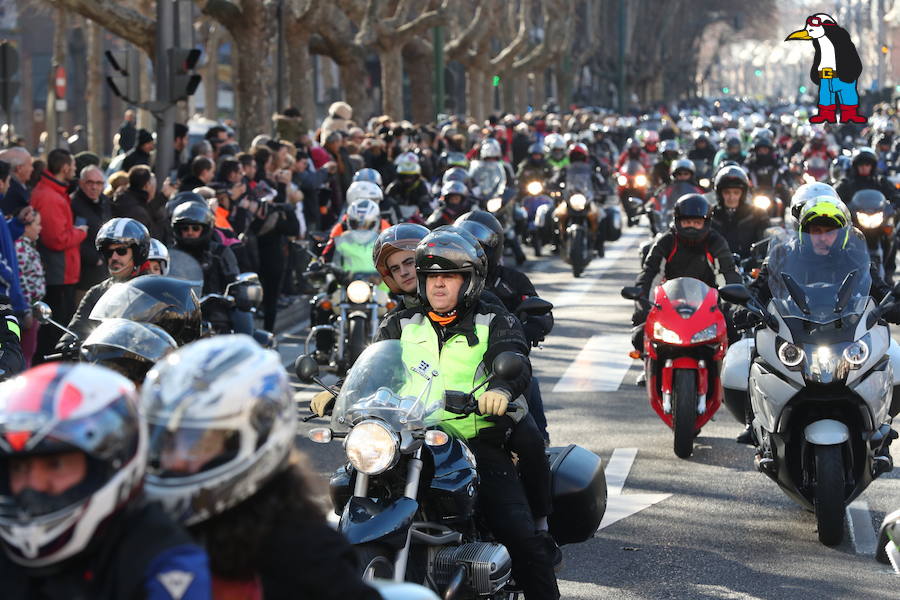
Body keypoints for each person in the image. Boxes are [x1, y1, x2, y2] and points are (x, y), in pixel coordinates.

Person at [370, 229, 559, 599]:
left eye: (449, 276)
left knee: (520, 538)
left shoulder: (492, 319)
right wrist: (340, 393)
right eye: (430, 277)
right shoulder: (400, 323)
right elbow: (376, 367)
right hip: (410, 444)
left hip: (474, 445)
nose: (438, 285)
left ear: (469, 280)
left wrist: (500, 390)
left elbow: (514, 358)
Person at [142, 335, 380, 599]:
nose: (175, 460)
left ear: (255, 439)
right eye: (168, 442)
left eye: (197, 443)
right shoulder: (134, 530)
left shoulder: (307, 557)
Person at [0, 362, 211, 599]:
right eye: (19, 467)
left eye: (55, 465)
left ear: (109, 463)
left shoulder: (165, 564)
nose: (35, 484)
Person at [455, 210, 554, 444]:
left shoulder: (512, 280)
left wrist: (523, 333)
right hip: (455, 362)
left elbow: (540, 312)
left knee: (530, 430)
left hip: (503, 360)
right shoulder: (448, 280)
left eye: (479, 243)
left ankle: (541, 441)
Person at [631, 194, 742, 354]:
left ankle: (720, 374)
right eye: (687, 222)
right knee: (639, 336)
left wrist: (732, 306)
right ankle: (649, 371)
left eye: (697, 222)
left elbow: (727, 274)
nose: (691, 226)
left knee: (734, 335)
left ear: (706, 222)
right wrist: (644, 304)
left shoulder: (716, 242)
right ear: (678, 221)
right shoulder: (666, 241)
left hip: (709, 309)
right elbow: (650, 273)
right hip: (669, 307)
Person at [58, 217, 151, 351]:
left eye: (121, 251)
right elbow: (79, 326)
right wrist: (67, 343)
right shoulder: (97, 292)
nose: (114, 257)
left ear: (137, 254)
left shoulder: (152, 290)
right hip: (105, 361)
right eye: (109, 252)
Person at [31, 149, 87, 363]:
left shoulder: (53, 192)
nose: (74, 170)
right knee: (54, 332)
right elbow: (56, 239)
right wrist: (81, 232)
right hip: (58, 274)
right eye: (73, 166)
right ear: (65, 168)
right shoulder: (50, 196)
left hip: (61, 271)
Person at [707, 164, 769, 260]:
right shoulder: (710, 215)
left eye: (736, 192)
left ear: (743, 193)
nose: (731, 197)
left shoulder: (758, 214)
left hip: (749, 268)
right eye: (727, 192)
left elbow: (766, 242)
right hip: (716, 267)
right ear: (720, 193)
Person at [70, 165, 112, 299]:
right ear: (81, 183)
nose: (94, 187)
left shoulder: (105, 201)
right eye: (90, 182)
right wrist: (94, 259)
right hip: (84, 274)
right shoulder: (73, 203)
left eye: (99, 183)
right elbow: (72, 239)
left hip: (105, 270)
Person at [15, 212, 44, 367]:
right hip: (28, 310)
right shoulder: (20, 247)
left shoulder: (27, 246)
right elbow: (20, 280)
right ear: (26, 227)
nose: (40, 228)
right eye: (37, 224)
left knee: (29, 351)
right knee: (25, 354)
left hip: (33, 309)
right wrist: (27, 308)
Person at [112, 165, 168, 241]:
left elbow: (148, 209)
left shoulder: (125, 198)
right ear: (147, 186)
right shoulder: (137, 212)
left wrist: (163, 197)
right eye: (153, 185)